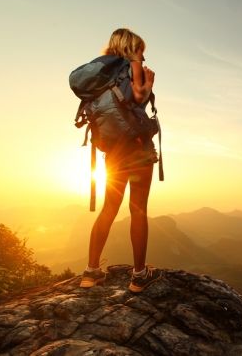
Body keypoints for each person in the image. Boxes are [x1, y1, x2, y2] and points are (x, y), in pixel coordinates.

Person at [80, 28, 162, 292]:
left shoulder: (101, 75)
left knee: (109, 209)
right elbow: (138, 97)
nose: (144, 57)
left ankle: (91, 273)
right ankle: (139, 276)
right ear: (132, 47)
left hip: (113, 152)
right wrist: (148, 84)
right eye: (141, 50)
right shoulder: (132, 64)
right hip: (137, 150)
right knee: (138, 210)